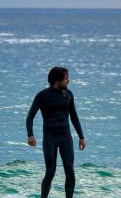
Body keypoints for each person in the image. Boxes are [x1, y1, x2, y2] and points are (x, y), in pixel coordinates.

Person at [26, 66, 86, 198]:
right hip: (50, 138)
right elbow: (30, 116)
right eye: (66, 78)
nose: (68, 81)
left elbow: (74, 117)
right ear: (57, 80)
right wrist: (30, 135)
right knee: (50, 172)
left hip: (65, 138)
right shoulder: (42, 96)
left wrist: (81, 137)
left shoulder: (68, 95)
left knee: (70, 171)